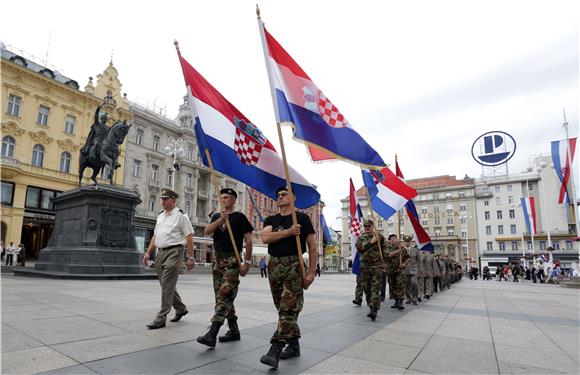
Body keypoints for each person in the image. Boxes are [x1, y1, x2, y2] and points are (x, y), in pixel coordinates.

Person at [259, 187, 316, 369]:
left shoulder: (302, 218)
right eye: (278, 195)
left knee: (289, 307)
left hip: (294, 264)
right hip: (274, 265)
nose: (280, 197)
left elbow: (312, 247)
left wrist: (311, 272)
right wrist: (289, 232)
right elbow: (265, 238)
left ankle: (275, 348)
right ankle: (293, 345)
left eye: (284, 194)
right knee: (281, 307)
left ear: (293, 197)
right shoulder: (272, 219)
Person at [197, 188, 253, 348]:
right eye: (221, 197)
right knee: (222, 298)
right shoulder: (216, 216)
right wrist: (220, 220)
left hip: (232, 260)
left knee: (225, 293)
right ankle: (234, 330)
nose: (223, 199)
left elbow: (248, 240)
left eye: (227, 197)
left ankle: (212, 333)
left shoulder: (239, 217)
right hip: (218, 262)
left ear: (234, 200)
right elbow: (207, 231)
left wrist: (247, 263)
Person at [143, 188, 195, 330]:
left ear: (173, 200)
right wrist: (148, 253)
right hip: (160, 253)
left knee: (167, 284)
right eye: (162, 199)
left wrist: (191, 257)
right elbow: (155, 236)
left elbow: (189, 237)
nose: (163, 201)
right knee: (166, 284)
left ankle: (161, 318)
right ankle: (181, 308)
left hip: (175, 251)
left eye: (166, 199)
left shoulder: (181, 216)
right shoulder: (160, 216)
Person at [355, 219, 387, 320]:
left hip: (376, 266)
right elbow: (359, 248)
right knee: (366, 289)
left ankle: (374, 309)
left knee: (375, 288)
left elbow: (385, 248)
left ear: (373, 226)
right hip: (365, 267)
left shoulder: (379, 236)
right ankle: (370, 306)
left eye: (369, 226)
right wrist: (371, 242)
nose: (367, 228)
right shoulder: (361, 237)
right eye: (366, 226)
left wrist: (385, 261)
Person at [385, 234, 409, 311]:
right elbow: (388, 255)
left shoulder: (402, 248)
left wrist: (404, 264)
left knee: (401, 284)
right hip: (391, 270)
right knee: (393, 286)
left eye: (394, 238)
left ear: (397, 240)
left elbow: (408, 258)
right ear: (389, 240)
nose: (393, 240)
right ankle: (396, 301)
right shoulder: (387, 248)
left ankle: (401, 301)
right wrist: (398, 251)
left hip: (400, 270)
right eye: (391, 238)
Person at [403, 235, 420, 305]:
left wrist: (420, 271)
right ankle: (408, 298)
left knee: (414, 283)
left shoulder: (415, 250)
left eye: (408, 241)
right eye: (406, 241)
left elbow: (419, 261)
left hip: (414, 270)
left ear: (411, 242)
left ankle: (415, 298)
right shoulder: (402, 250)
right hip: (405, 270)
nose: (407, 243)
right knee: (406, 285)